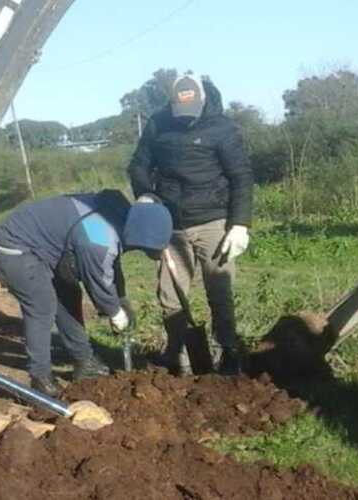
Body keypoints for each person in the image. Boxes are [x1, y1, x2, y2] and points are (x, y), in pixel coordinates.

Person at [128, 74, 254, 375]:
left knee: (219, 290)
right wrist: (145, 193)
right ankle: (178, 355)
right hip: (170, 224)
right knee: (170, 296)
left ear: (203, 100)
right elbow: (138, 164)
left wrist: (240, 224)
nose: (184, 119)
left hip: (214, 222)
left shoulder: (222, 128)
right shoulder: (158, 124)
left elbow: (241, 177)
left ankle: (228, 352)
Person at [0, 190, 173, 397]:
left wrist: (121, 299)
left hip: (48, 246)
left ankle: (84, 361)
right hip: (15, 247)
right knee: (42, 307)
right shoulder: (98, 239)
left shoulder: (119, 215)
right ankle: (40, 378)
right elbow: (97, 282)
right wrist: (114, 311)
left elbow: (112, 265)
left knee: (68, 297)